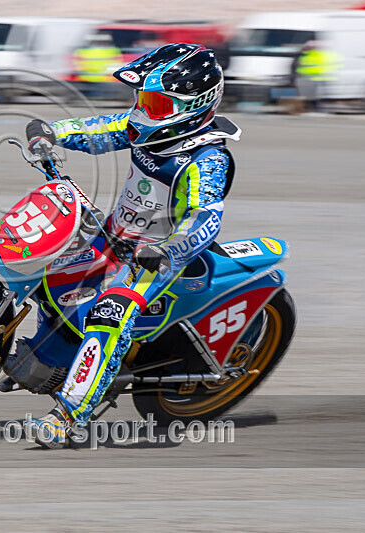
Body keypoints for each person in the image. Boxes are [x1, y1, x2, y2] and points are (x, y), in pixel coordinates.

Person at [23, 43, 239, 448]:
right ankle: (52, 355)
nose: (141, 111)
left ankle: (69, 415)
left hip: (155, 257)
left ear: (194, 106)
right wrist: (52, 133)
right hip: (115, 233)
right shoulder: (148, 127)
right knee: (42, 269)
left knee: (110, 315)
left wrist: (166, 250)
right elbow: (101, 129)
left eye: (155, 103)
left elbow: (204, 220)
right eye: (140, 99)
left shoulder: (207, 159)